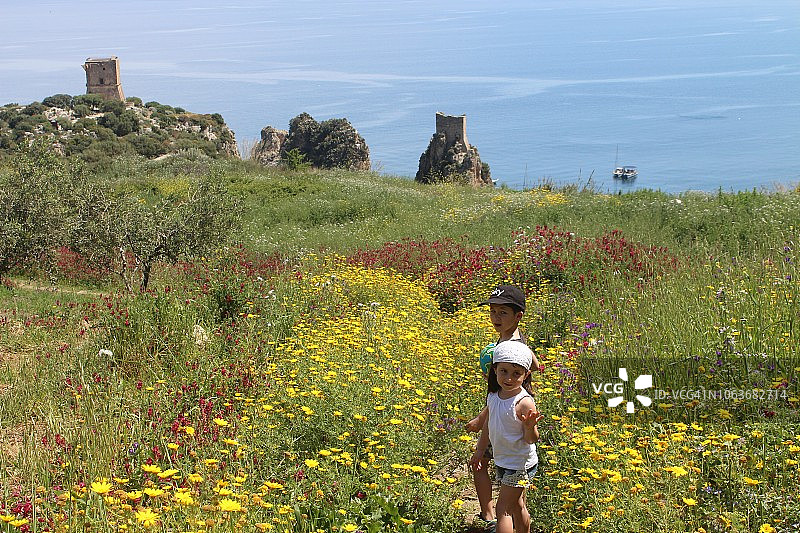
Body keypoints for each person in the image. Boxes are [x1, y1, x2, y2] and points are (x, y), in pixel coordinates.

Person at [465, 285, 541, 529]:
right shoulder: (506, 341)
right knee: (514, 503)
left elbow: (533, 370)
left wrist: (482, 418)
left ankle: (492, 520)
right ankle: (492, 519)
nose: (496, 318)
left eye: (503, 313)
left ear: (518, 316)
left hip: (508, 426)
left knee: (507, 505)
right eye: (493, 312)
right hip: (500, 418)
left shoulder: (514, 346)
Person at [470, 341, 543, 533]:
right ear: (495, 369)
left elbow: (531, 439)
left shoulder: (524, 402)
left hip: (520, 464)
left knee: (503, 510)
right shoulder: (494, 396)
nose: (509, 378)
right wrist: (479, 451)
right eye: (504, 371)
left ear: (526, 374)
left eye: (516, 373)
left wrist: (530, 427)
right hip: (504, 461)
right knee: (516, 506)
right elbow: (488, 426)